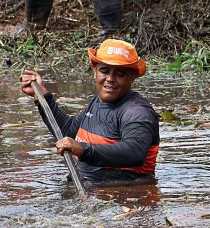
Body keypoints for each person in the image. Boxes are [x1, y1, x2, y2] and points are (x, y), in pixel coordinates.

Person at [20, 38, 159, 185]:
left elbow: (134, 152)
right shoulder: (96, 102)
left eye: (120, 74)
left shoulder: (137, 112)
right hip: (88, 187)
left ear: (132, 77)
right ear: (95, 71)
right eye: (104, 71)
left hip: (122, 196)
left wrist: (83, 149)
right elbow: (68, 133)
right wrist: (43, 97)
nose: (110, 79)